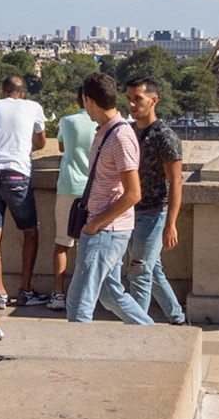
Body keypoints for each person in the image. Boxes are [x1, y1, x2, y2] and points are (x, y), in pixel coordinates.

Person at [64, 73, 155, 326]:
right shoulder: (108, 131)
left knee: (78, 303)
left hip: (106, 230)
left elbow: (133, 193)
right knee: (110, 294)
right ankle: (151, 334)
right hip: (107, 228)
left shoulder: (119, 136)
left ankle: (75, 362)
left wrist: (95, 224)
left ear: (89, 101)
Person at [0, 75, 47, 308]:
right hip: (17, 173)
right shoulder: (33, 107)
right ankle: (25, 290)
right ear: (22, 94)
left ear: (2, 91)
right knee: (30, 232)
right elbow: (42, 142)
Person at [122, 76, 187, 324]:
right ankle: (178, 319)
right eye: (129, 99)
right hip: (133, 213)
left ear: (154, 101)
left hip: (153, 214)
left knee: (139, 271)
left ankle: (137, 327)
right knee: (151, 270)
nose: (131, 104)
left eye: (137, 98)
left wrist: (170, 224)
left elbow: (176, 182)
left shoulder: (165, 137)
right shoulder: (130, 133)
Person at [45, 104, 95, 311]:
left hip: (69, 186)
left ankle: (58, 293)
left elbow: (62, 148)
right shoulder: (102, 123)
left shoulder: (67, 121)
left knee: (62, 244)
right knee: (92, 245)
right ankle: (87, 295)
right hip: (94, 188)